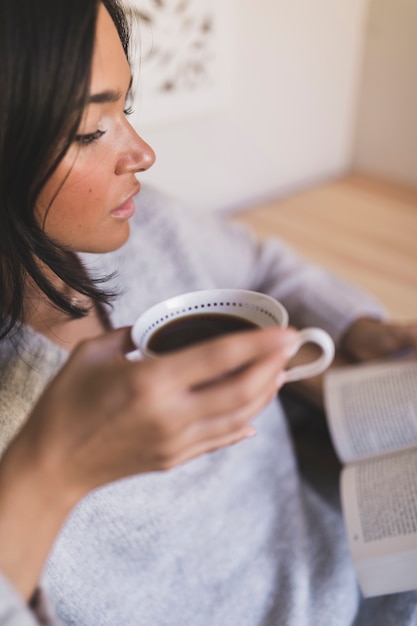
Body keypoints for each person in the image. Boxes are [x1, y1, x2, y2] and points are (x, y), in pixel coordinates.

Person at [0, 0, 416, 624]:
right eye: (90, 130)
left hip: (356, 570)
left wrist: (363, 327)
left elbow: (264, 267)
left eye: (127, 109)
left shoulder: (142, 223)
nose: (142, 153)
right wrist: (48, 474)